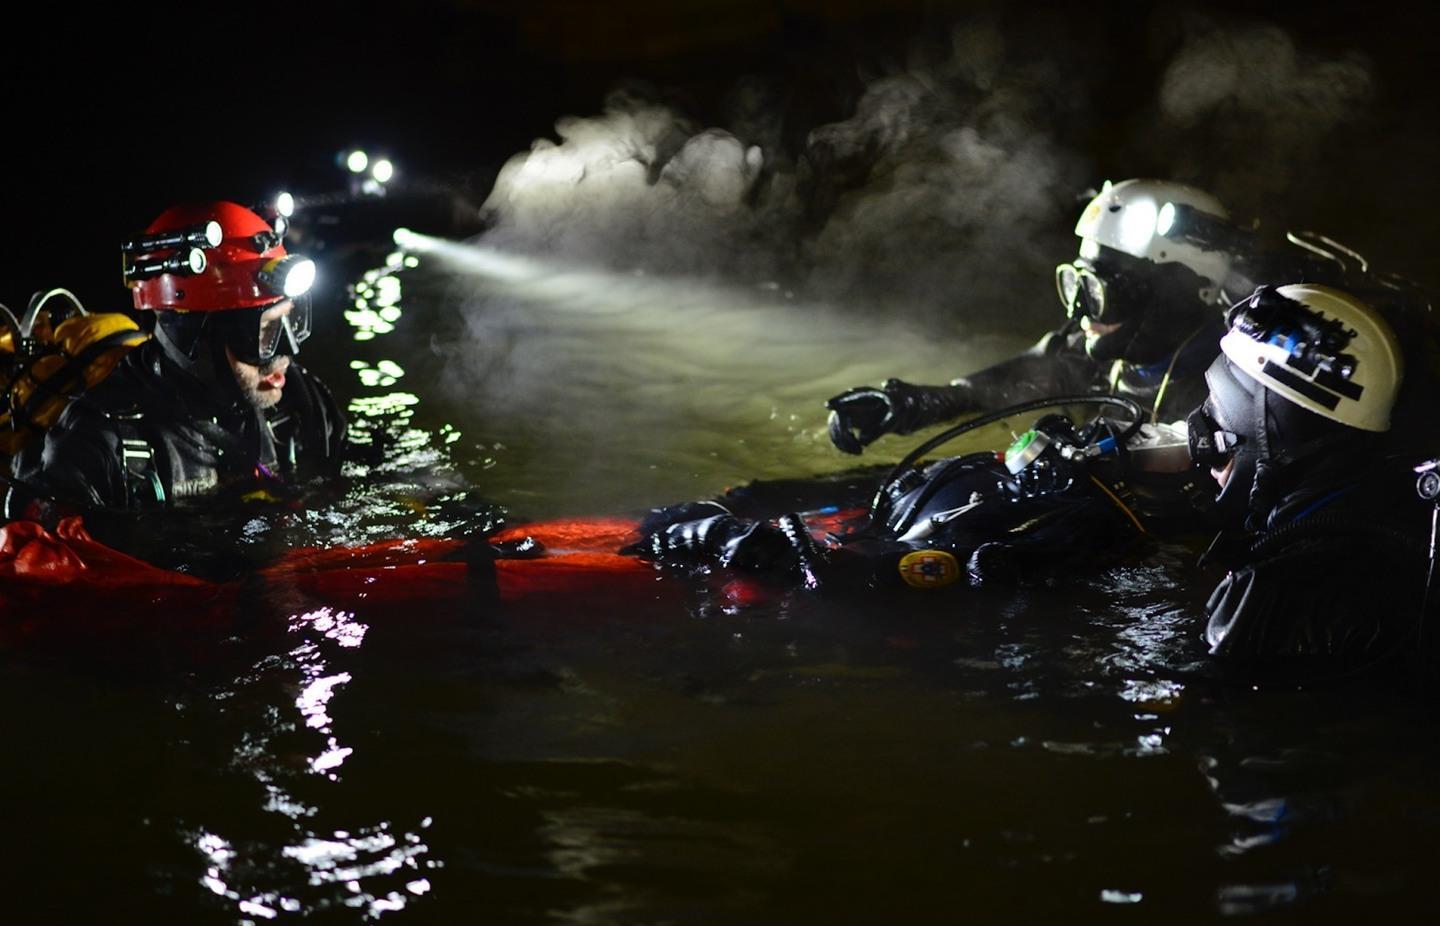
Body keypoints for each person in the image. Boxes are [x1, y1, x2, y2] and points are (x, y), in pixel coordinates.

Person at [825, 178, 1249, 454]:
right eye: (1075, 285)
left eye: (1100, 293)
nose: (1080, 310)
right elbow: (1030, 376)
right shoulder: (1108, 359)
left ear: (1173, 294)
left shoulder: (1232, 386)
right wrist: (914, 403)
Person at [6, 201, 346, 519]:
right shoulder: (98, 446)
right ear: (195, 339)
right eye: (263, 332)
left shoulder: (301, 403)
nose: (287, 351)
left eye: (293, 319)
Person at [1186, 283, 1432, 679]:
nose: (1202, 454)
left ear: (1271, 435)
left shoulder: (1272, 598)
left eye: (1218, 430)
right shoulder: (1402, 521)